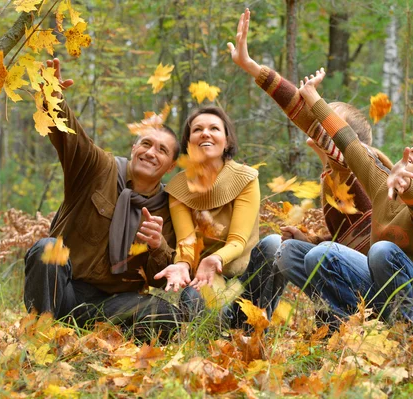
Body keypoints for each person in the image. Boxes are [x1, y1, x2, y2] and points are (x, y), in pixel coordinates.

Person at [224, 9, 387, 326]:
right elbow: (348, 240)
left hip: (380, 287)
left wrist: (254, 69)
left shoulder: (360, 166)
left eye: (322, 119)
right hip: (354, 272)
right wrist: (307, 237)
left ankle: (349, 319)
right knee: (289, 250)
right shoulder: (335, 177)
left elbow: (303, 113)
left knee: (319, 254)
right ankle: (325, 318)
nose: (313, 125)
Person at [24, 58, 196, 342]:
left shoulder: (169, 206)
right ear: (133, 147)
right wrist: (53, 97)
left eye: (162, 150)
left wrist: (157, 246)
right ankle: (41, 337)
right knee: (47, 249)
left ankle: (98, 339)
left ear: (170, 165)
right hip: (63, 291)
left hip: (112, 305)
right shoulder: (98, 167)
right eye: (146, 144)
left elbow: (161, 277)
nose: (151, 153)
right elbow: (71, 137)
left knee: (168, 314)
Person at [293, 67, 413, 323]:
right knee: (305, 254)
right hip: (379, 289)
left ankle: (407, 335)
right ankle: (353, 324)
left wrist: (407, 187)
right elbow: (348, 142)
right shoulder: (383, 184)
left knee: (382, 251)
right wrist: (312, 97)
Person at [153, 107, 261, 294]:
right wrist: (182, 264)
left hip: (245, 270)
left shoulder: (245, 178)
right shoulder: (178, 186)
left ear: (226, 141)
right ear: (188, 143)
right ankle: (225, 315)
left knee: (273, 244)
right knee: (194, 299)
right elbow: (186, 241)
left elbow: (237, 241)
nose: (205, 134)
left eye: (214, 129)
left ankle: (252, 316)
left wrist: (216, 258)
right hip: (205, 274)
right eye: (197, 130)